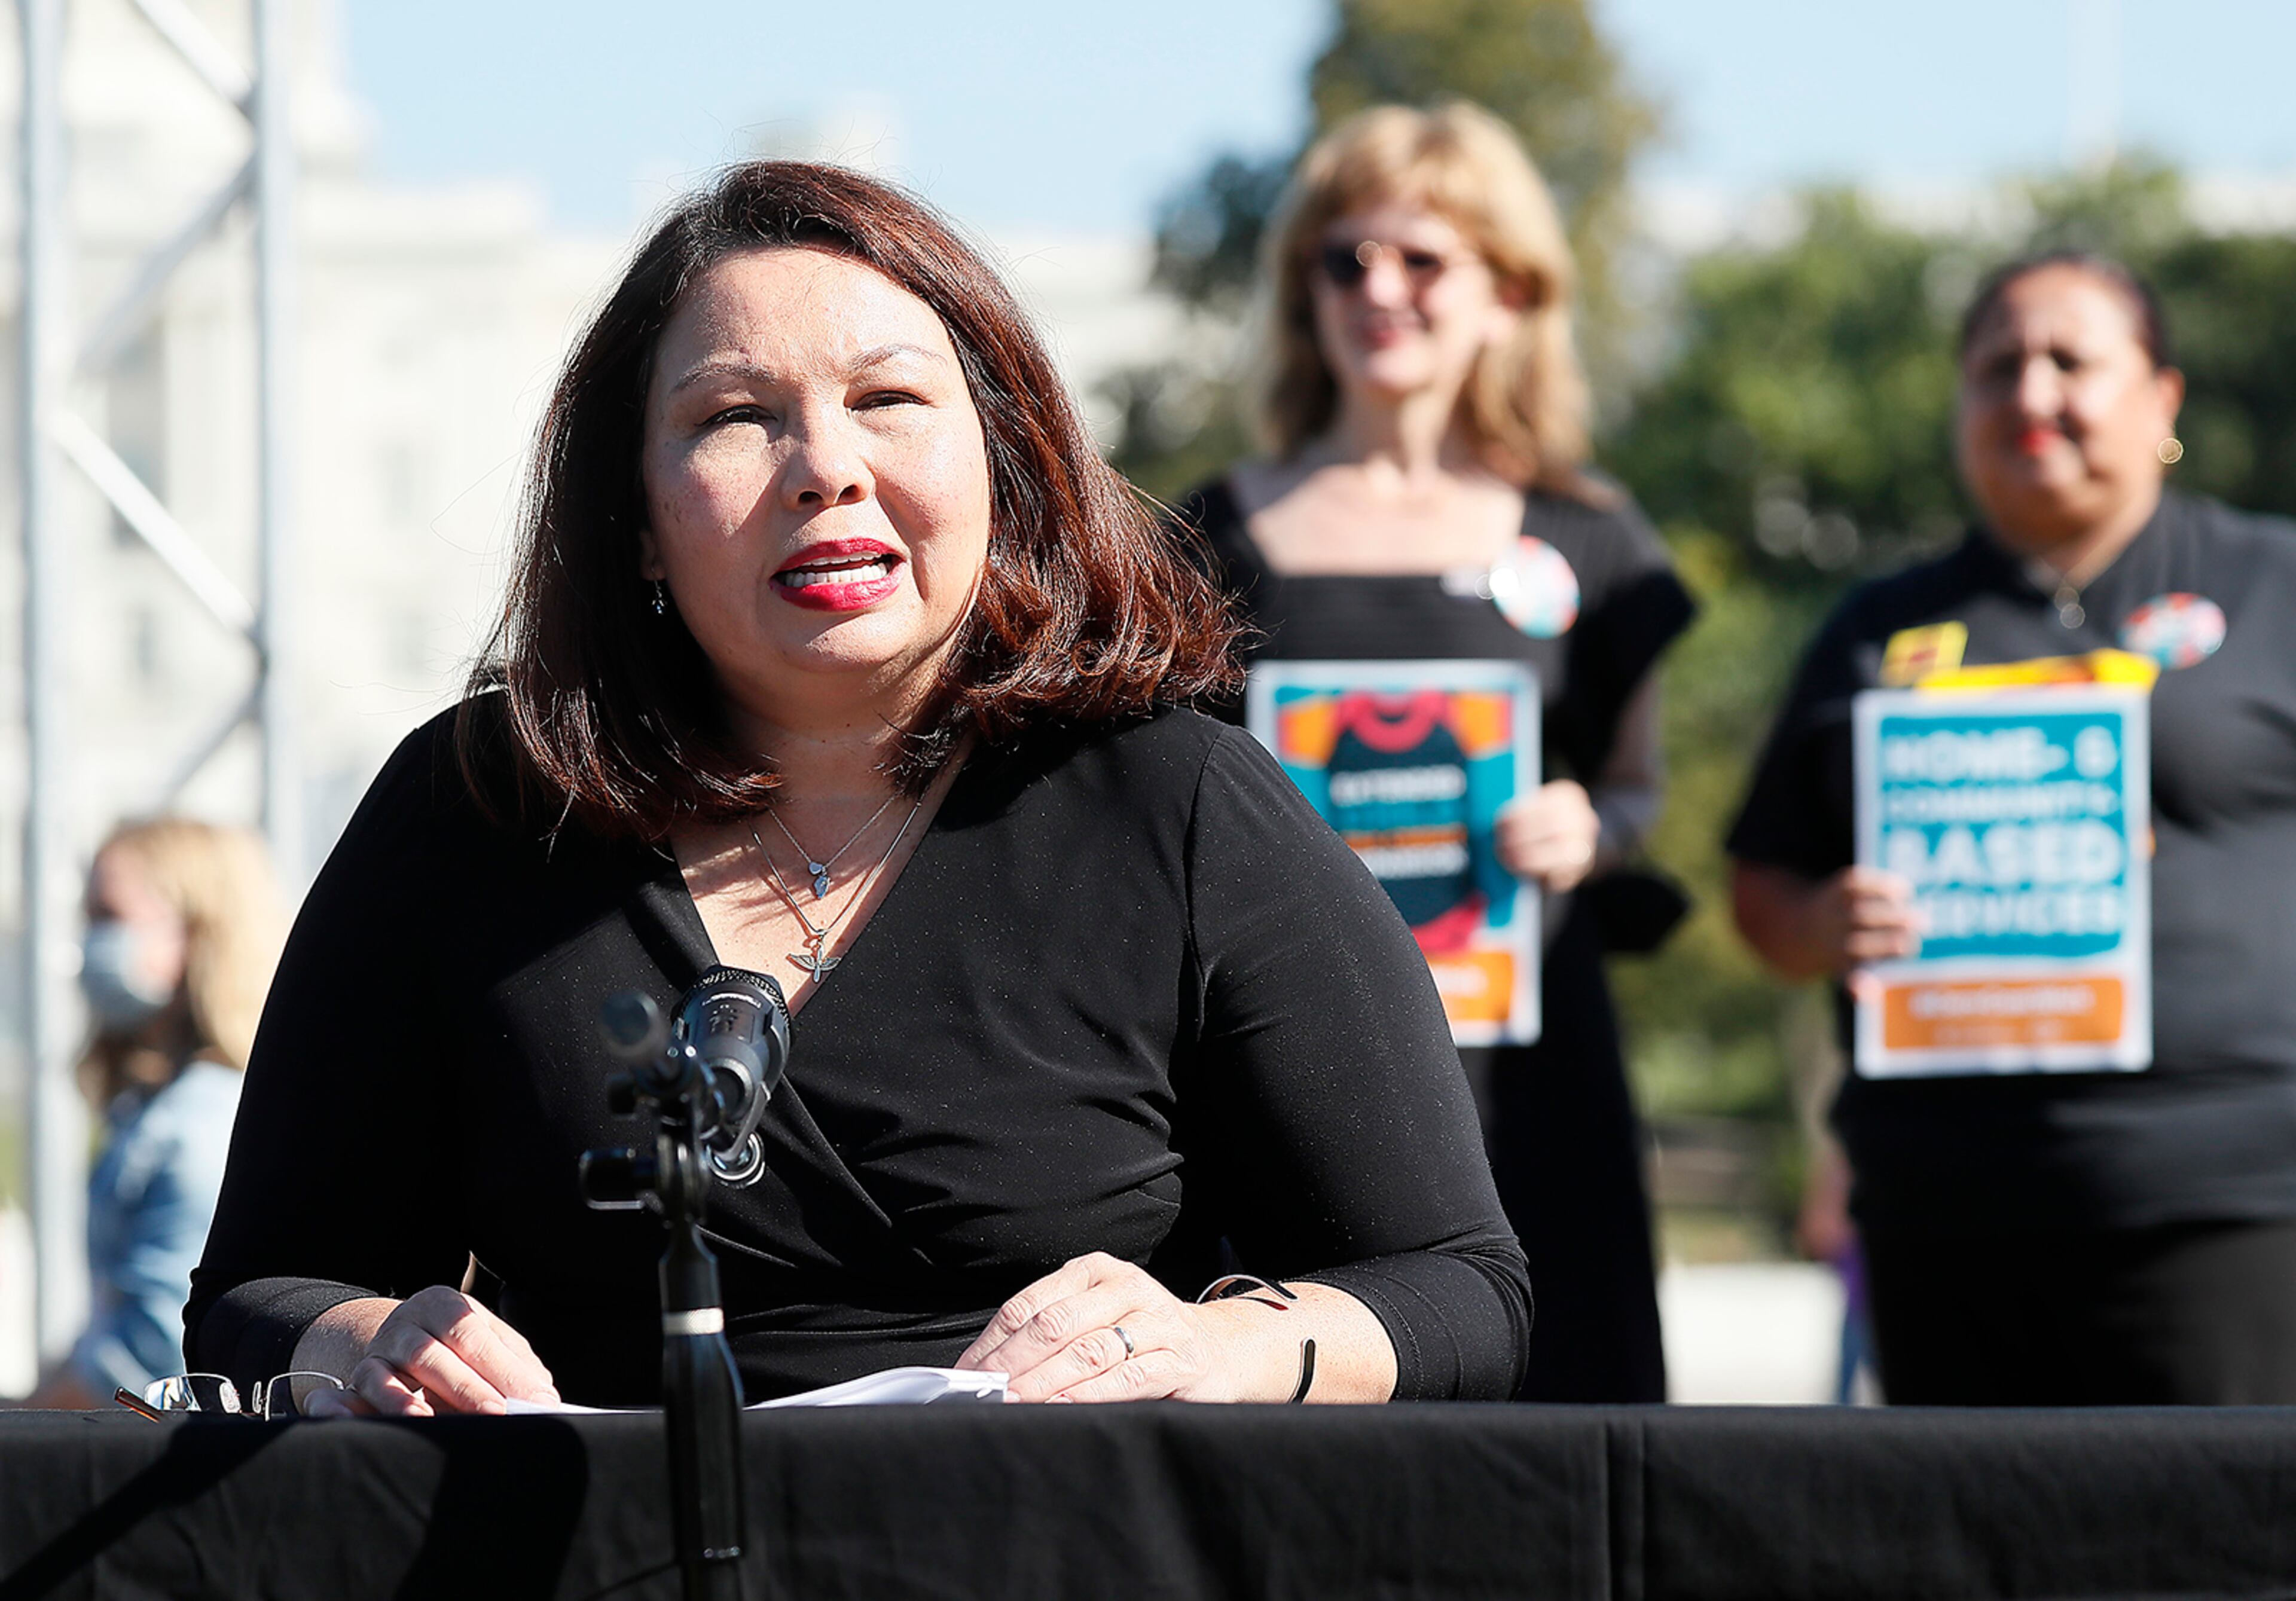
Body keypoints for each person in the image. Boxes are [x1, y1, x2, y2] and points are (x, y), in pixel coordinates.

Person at [184, 161, 1532, 1415]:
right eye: (733, 417)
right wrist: (358, 1340)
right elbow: (259, 1290)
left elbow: (1460, 1284)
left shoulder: (1178, 804)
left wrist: (1222, 1342)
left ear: (1002, 463)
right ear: (638, 522)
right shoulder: (474, 805)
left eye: (887, 400)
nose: (825, 466)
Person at [1178, 103, 1696, 1403]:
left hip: (1535, 1060)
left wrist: (1594, 826)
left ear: (1510, 294)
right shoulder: (1210, 535)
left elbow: (1637, 791)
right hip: (1287, 1065)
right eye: (1343, 260)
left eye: (1423, 260)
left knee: (1575, 1413)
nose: (1380, 291)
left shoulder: (1594, 536)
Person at [1729, 250, 2296, 1404]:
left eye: (2070, 361)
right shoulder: (1876, 628)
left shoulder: (2273, 584)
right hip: (1949, 1212)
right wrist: (1820, 922)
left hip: (2233, 1199)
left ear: (2162, 400)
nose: (2031, 394)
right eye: (1996, 368)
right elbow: (1761, 884)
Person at [18, 819, 285, 1409]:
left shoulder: (198, 1126)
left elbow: (151, 1357)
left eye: (110, 916)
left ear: (199, 932)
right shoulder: (153, 1110)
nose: (89, 944)